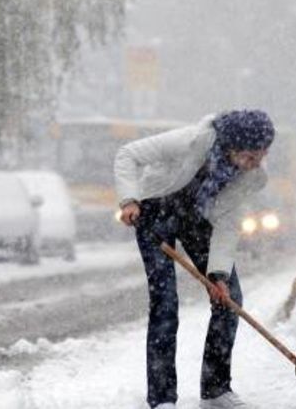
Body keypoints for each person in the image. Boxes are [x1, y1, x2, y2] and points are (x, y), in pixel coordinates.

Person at [114, 110, 275, 409]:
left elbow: (227, 223)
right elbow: (128, 155)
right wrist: (129, 199)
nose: (256, 164)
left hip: (197, 219)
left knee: (230, 299)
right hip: (154, 212)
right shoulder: (191, 140)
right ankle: (162, 398)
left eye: (262, 155)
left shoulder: (252, 176)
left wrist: (219, 277)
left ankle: (216, 390)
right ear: (232, 146)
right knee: (165, 303)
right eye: (251, 156)